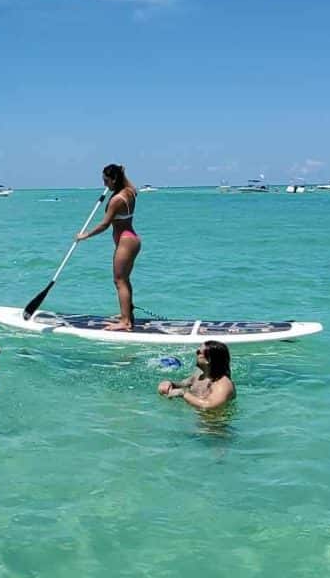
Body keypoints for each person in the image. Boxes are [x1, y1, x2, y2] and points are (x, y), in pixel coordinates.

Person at [75, 163, 142, 330]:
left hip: (125, 241)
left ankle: (125, 322)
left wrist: (85, 235)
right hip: (131, 239)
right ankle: (127, 314)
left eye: (106, 180)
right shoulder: (130, 192)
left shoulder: (117, 200)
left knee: (119, 280)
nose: (104, 184)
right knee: (124, 279)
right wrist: (123, 174)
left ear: (114, 179)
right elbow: (131, 186)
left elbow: (105, 225)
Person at [157, 341, 235, 409]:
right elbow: (183, 384)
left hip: (214, 423)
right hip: (198, 417)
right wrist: (170, 384)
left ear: (208, 360)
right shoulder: (199, 374)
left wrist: (183, 393)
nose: (195, 353)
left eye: (199, 352)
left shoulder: (222, 384)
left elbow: (209, 405)